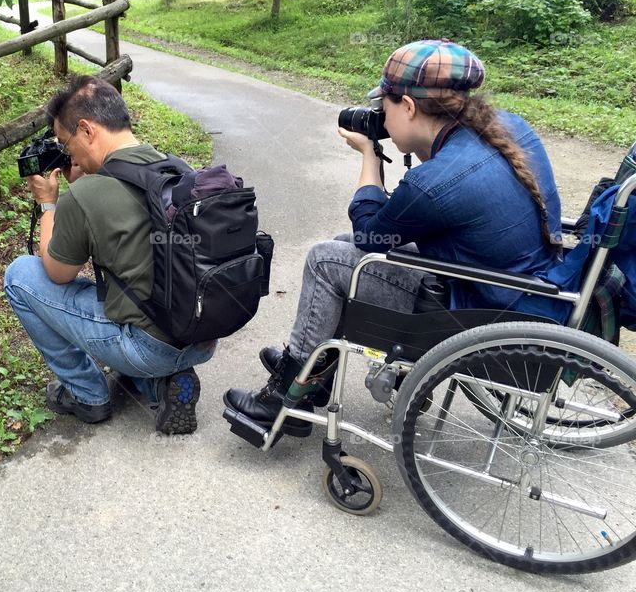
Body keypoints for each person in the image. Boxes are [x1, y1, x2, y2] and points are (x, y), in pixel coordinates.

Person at [224, 39, 564, 436]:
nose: (381, 119)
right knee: (340, 245)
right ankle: (314, 370)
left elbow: (371, 234)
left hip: (475, 307)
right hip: (523, 287)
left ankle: (285, 398)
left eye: (384, 107)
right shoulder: (506, 127)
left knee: (325, 259)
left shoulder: (436, 183)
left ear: (409, 106)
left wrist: (369, 154)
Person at [3, 75, 216, 434]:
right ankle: (159, 383)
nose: (66, 153)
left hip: (147, 344)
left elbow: (56, 274)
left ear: (86, 130)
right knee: (131, 294)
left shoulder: (86, 196)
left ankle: (87, 394)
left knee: (20, 275)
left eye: (65, 142)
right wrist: (80, 184)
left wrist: (48, 203)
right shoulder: (175, 168)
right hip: (202, 335)